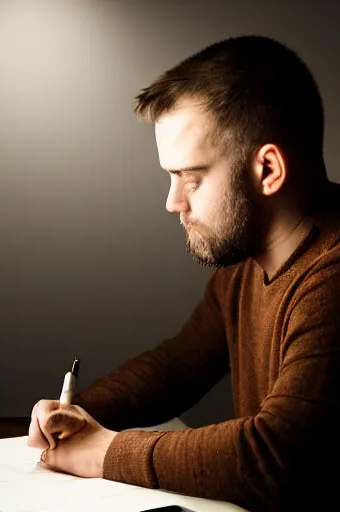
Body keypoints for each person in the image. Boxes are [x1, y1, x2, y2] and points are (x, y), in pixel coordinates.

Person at [27, 35, 340, 512]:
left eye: (191, 178)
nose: (173, 202)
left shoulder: (332, 276)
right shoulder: (247, 265)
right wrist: (82, 413)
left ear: (268, 170)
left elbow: (277, 455)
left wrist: (104, 452)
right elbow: (178, 366)